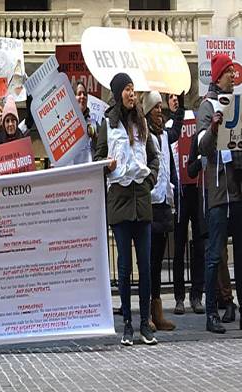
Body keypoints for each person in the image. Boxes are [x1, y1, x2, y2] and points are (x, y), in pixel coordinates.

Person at [94, 73, 159, 346]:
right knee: (123, 267)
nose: (132, 94)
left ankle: (145, 323)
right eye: (128, 90)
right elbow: (97, 157)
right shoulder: (107, 124)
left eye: (134, 90)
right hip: (120, 200)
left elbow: (154, 158)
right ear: (119, 92)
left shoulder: (141, 122)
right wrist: (105, 166)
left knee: (145, 265)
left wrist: (150, 180)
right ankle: (128, 326)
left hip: (141, 199)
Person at [197, 53, 242, 334]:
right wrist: (214, 126)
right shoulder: (206, 106)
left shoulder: (238, 105)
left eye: (235, 74)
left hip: (237, 192)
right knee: (215, 255)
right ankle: (211, 311)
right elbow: (201, 145)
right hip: (217, 195)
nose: (234, 78)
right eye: (229, 73)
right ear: (218, 75)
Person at [168, 93, 206, 315]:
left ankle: (197, 296)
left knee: (199, 244)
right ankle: (179, 297)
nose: (174, 100)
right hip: (180, 190)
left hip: (197, 187)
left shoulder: (194, 117)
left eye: (176, 96)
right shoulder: (169, 125)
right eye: (170, 97)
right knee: (179, 245)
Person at [143, 91, 177, 331]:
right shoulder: (145, 136)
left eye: (160, 107)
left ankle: (158, 311)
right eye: (155, 107)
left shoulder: (164, 136)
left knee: (158, 259)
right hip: (151, 202)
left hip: (165, 201)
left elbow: (169, 166)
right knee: (150, 262)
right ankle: (147, 313)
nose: (159, 111)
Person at [73, 82, 99, 164]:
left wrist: (95, 137)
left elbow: (100, 150)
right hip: (72, 172)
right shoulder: (66, 124)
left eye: (84, 94)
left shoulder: (94, 123)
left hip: (89, 172)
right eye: (79, 94)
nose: (82, 97)